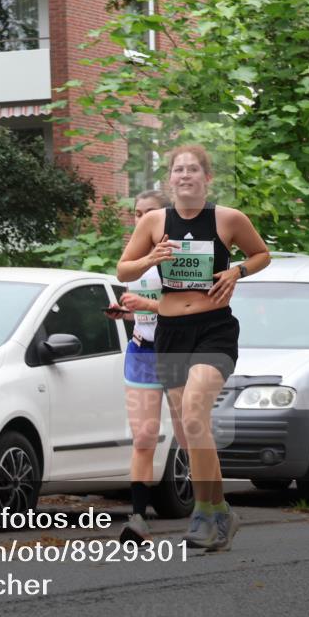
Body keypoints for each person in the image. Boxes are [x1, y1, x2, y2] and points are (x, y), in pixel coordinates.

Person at [117, 144, 270, 551]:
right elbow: (123, 268)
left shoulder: (227, 219)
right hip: (169, 331)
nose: (185, 176)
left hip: (213, 328)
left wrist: (237, 270)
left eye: (193, 170)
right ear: (169, 180)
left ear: (207, 178)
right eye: (178, 170)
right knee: (189, 430)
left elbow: (261, 254)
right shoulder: (153, 221)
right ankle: (221, 511)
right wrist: (151, 258)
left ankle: (204, 513)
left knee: (195, 410)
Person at [104, 189, 186, 544]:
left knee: (189, 435)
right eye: (136, 213)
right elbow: (141, 303)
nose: (140, 220)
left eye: (149, 213)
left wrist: (147, 303)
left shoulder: (182, 254)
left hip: (178, 353)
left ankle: (211, 509)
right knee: (144, 437)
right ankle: (137, 518)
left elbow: (188, 305)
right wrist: (128, 312)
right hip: (142, 352)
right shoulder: (134, 257)